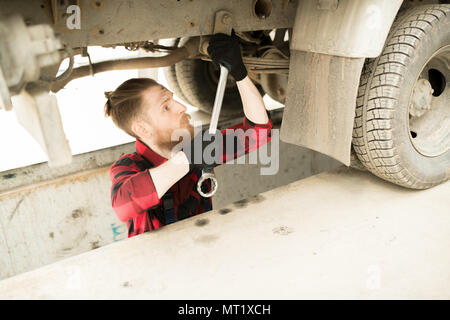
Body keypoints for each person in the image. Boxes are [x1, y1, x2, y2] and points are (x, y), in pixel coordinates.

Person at [105, 33, 273, 237]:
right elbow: (123, 205)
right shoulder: (129, 166)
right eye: (166, 107)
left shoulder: (197, 146)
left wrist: (239, 73)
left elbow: (258, 132)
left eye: (173, 99)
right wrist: (189, 158)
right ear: (143, 129)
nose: (182, 107)